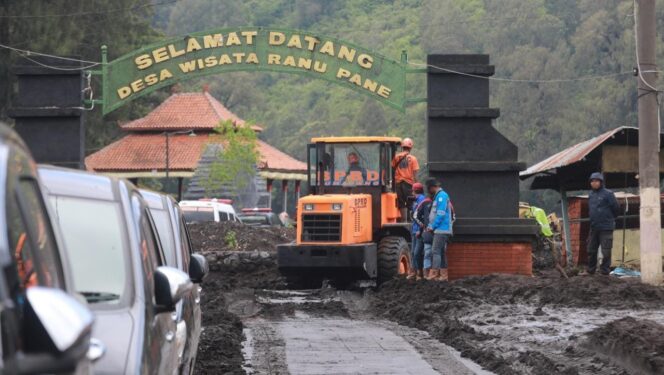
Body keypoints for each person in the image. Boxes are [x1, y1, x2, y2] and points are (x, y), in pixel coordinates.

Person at [580, 172, 619, 276]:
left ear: (601, 182)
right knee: (591, 250)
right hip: (594, 227)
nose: (594, 183)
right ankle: (590, 270)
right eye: (592, 181)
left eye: (596, 181)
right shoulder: (591, 195)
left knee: (606, 251)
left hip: (606, 227)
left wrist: (609, 219)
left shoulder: (608, 194)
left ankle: (605, 271)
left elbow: (616, 208)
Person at [426, 177, 453, 281]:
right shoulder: (439, 196)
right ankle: (443, 276)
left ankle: (434, 275)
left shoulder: (441, 196)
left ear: (433, 187)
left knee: (435, 251)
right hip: (440, 229)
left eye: (429, 188)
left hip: (441, 229)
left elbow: (440, 214)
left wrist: (433, 226)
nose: (429, 190)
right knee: (441, 252)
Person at [392, 138, 419, 221]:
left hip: (398, 183)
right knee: (410, 202)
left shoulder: (396, 157)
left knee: (401, 203)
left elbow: (392, 168)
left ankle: (403, 221)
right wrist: (417, 184)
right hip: (408, 183)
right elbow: (415, 174)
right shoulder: (413, 159)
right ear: (410, 148)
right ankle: (411, 220)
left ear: (402, 147)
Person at [406, 183, 426, 280]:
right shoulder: (415, 200)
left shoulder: (421, 200)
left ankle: (419, 272)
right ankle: (413, 272)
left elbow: (421, 217)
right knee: (413, 252)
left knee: (418, 252)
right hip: (414, 229)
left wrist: (419, 230)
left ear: (414, 190)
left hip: (418, 230)